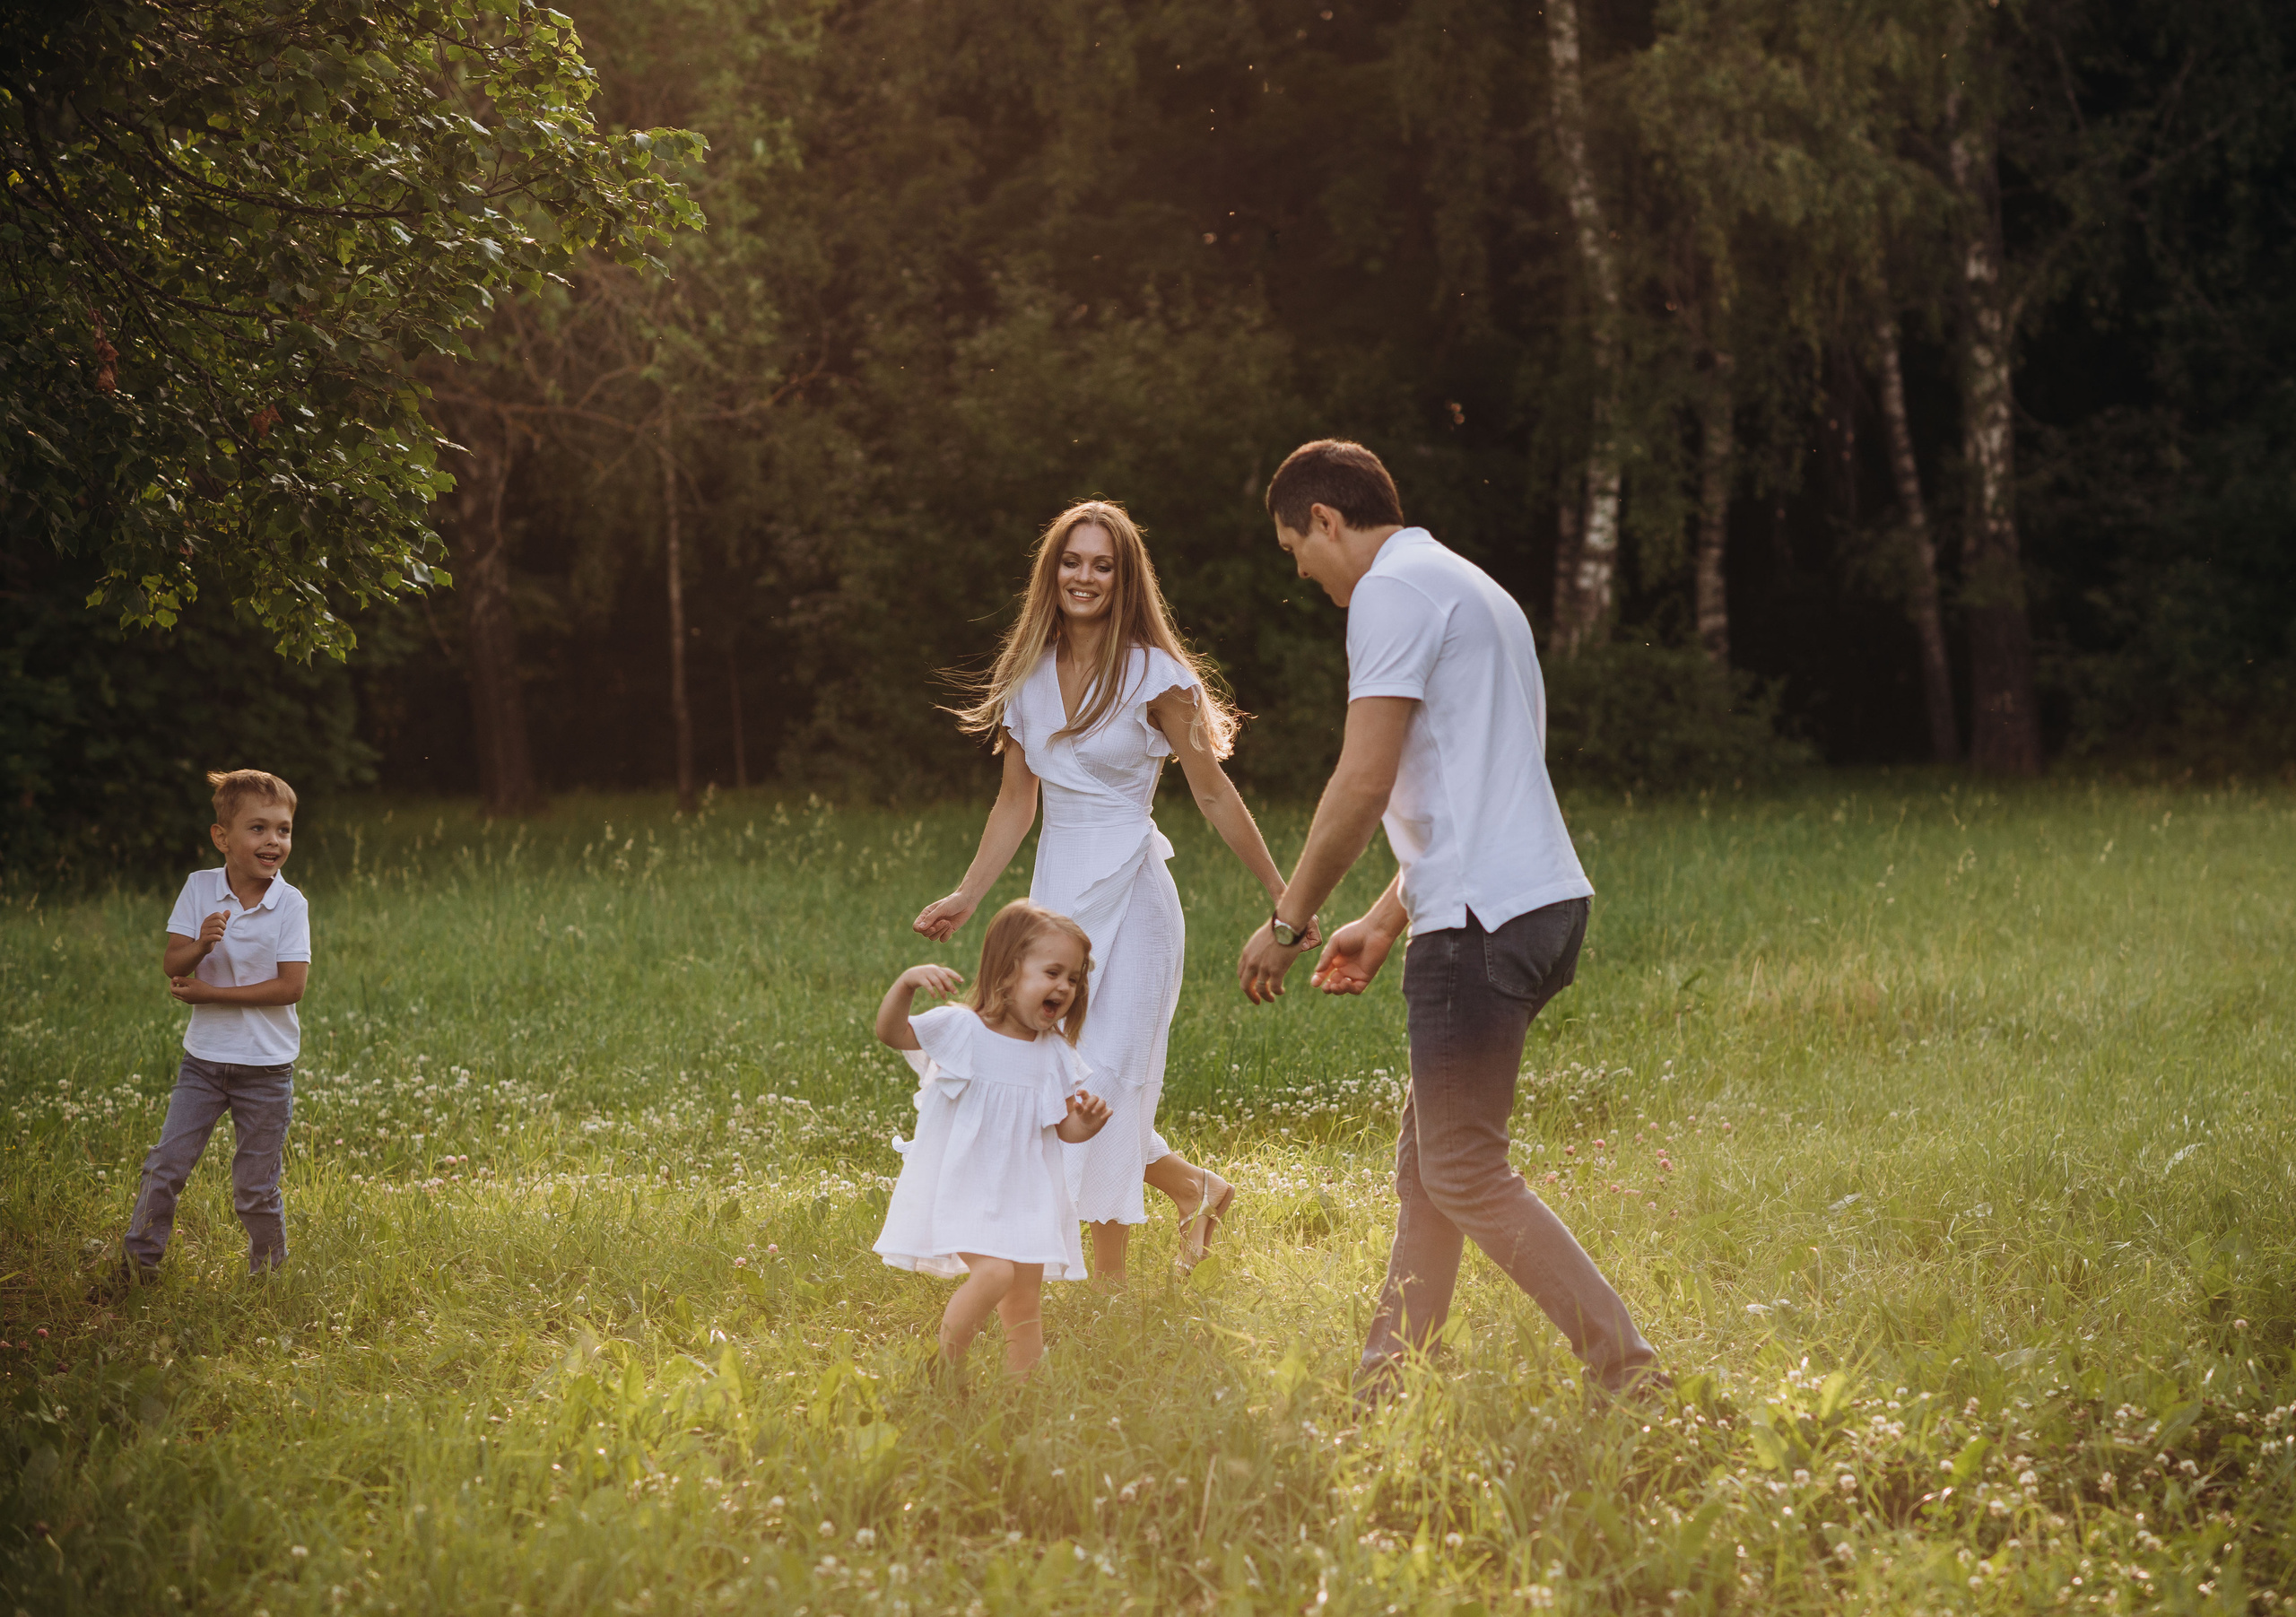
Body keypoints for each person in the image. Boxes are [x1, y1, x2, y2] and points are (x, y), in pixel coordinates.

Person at [1233, 440, 1665, 1400]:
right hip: (1535, 901)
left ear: (1326, 521)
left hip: (1481, 925)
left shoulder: (1391, 593)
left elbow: (1363, 776)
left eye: (1292, 547)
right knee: (1432, 1167)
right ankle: (1386, 1379)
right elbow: (1472, 784)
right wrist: (1386, 920)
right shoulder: (1467, 585)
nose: (1298, 571)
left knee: (1462, 1169)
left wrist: (1291, 916)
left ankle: (1628, 1372)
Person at [915, 500, 1309, 1286]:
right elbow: (1015, 803)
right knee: (1057, 1078)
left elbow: (1213, 794)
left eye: (1102, 564)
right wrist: (967, 893)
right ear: (1051, 572)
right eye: (1072, 561)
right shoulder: (1026, 678)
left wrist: (1285, 895)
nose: (1084, 577)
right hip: (1058, 903)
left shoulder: (1157, 679)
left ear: (1125, 579)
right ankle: (1200, 1190)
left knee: (1109, 1080)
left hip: (1134, 900)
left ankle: (1111, 1290)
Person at [874, 900, 1114, 1378]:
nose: (1065, 986)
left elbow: (1063, 1127)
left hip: (1023, 1194)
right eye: (1052, 972)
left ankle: (1023, 1390)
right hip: (964, 1185)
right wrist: (906, 983)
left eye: (1073, 978)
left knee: (1025, 1300)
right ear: (1007, 973)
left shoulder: (1054, 1055)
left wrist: (1085, 1126)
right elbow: (892, 1032)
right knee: (995, 1272)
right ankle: (942, 1369)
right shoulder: (962, 1029)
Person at [120, 769, 311, 1282]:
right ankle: (138, 1268)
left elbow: (291, 987)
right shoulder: (199, 888)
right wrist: (202, 945)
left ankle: (268, 1278)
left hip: (267, 1070)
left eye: (284, 830)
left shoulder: (290, 903)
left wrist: (212, 995)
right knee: (165, 1167)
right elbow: (172, 965)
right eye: (258, 829)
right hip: (202, 1063)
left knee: (255, 1186)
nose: (273, 840)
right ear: (222, 837)